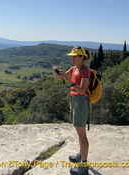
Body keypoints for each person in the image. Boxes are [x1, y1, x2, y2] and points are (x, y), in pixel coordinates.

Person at [53, 46, 92, 175]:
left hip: (81, 102)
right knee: (78, 131)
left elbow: (81, 90)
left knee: (82, 135)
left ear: (82, 57)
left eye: (75, 56)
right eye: (72, 56)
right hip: (74, 101)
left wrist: (67, 79)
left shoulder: (86, 71)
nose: (72, 58)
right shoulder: (74, 69)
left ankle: (84, 166)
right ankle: (81, 155)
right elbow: (64, 77)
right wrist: (60, 73)